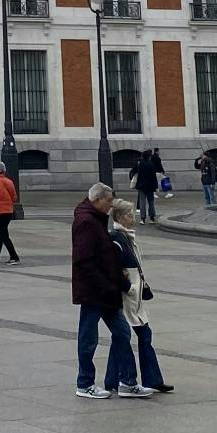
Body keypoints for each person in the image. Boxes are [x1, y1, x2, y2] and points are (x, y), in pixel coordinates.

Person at [70, 183, 136, 399]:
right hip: (93, 291)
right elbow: (84, 260)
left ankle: (127, 381)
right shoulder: (86, 222)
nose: (110, 207)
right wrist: (106, 283)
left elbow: (105, 256)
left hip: (106, 290)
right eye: (108, 202)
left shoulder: (95, 219)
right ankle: (85, 383)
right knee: (88, 337)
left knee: (122, 332)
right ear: (97, 200)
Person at [108, 200, 170, 396]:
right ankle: (127, 380)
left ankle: (116, 380)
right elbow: (114, 269)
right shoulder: (117, 238)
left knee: (126, 337)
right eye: (128, 215)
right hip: (127, 297)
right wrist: (129, 287)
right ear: (119, 217)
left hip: (133, 297)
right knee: (131, 336)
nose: (132, 218)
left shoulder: (124, 237)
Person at [0, 161, 20, 263]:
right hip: (8, 210)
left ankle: (14, 256)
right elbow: (14, 197)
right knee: (0, 232)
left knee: (3, 234)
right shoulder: (9, 182)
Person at [133, 149, 160, 224]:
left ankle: (142, 219)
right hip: (150, 186)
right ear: (149, 157)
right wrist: (156, 186)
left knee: (142, 202)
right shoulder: (151, 165)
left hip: (141, 186)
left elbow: (137, 174)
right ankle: (151, 218)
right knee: (151, 202)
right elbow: (153, 177)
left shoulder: (140, 164)